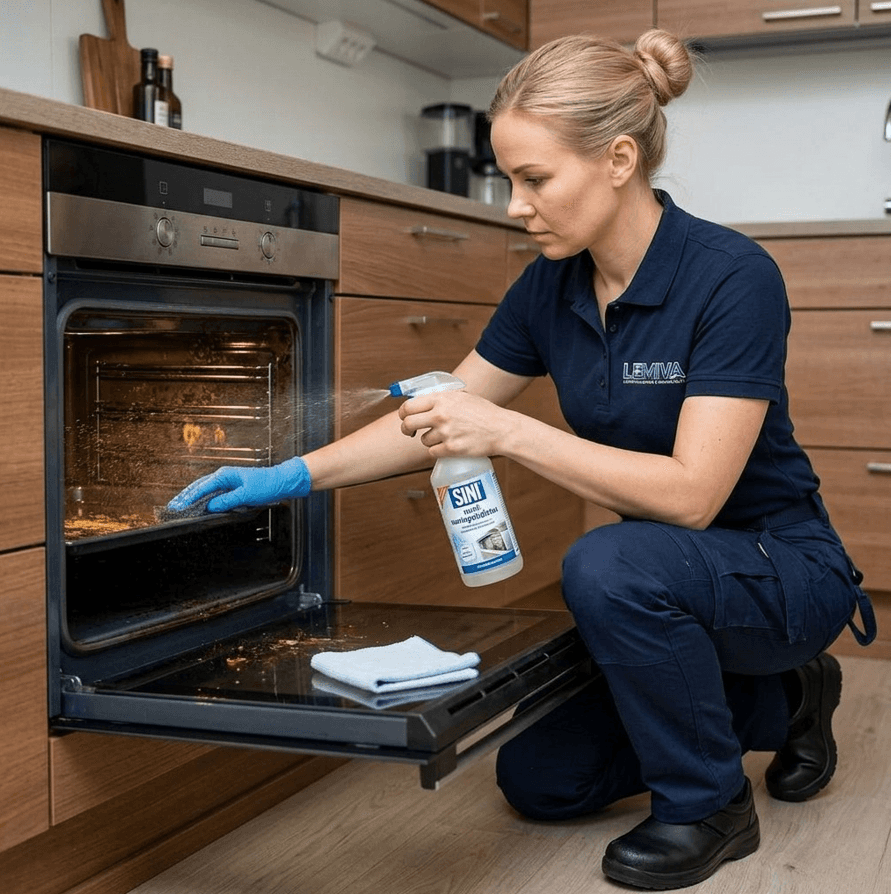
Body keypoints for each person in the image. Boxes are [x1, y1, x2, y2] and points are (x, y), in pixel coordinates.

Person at [167, 28, 876, 890]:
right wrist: (292, 476)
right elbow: (443, 407)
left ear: (618, 159)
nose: (513, 204)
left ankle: (709, 807)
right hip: (661, 579)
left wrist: (506, 433)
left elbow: (691, 498)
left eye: (534, 178)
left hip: (780, 570)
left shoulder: (730, 276)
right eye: (510, 179)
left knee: (607, 562)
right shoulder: (552, 283)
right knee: (542, 782)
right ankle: (790, 698)